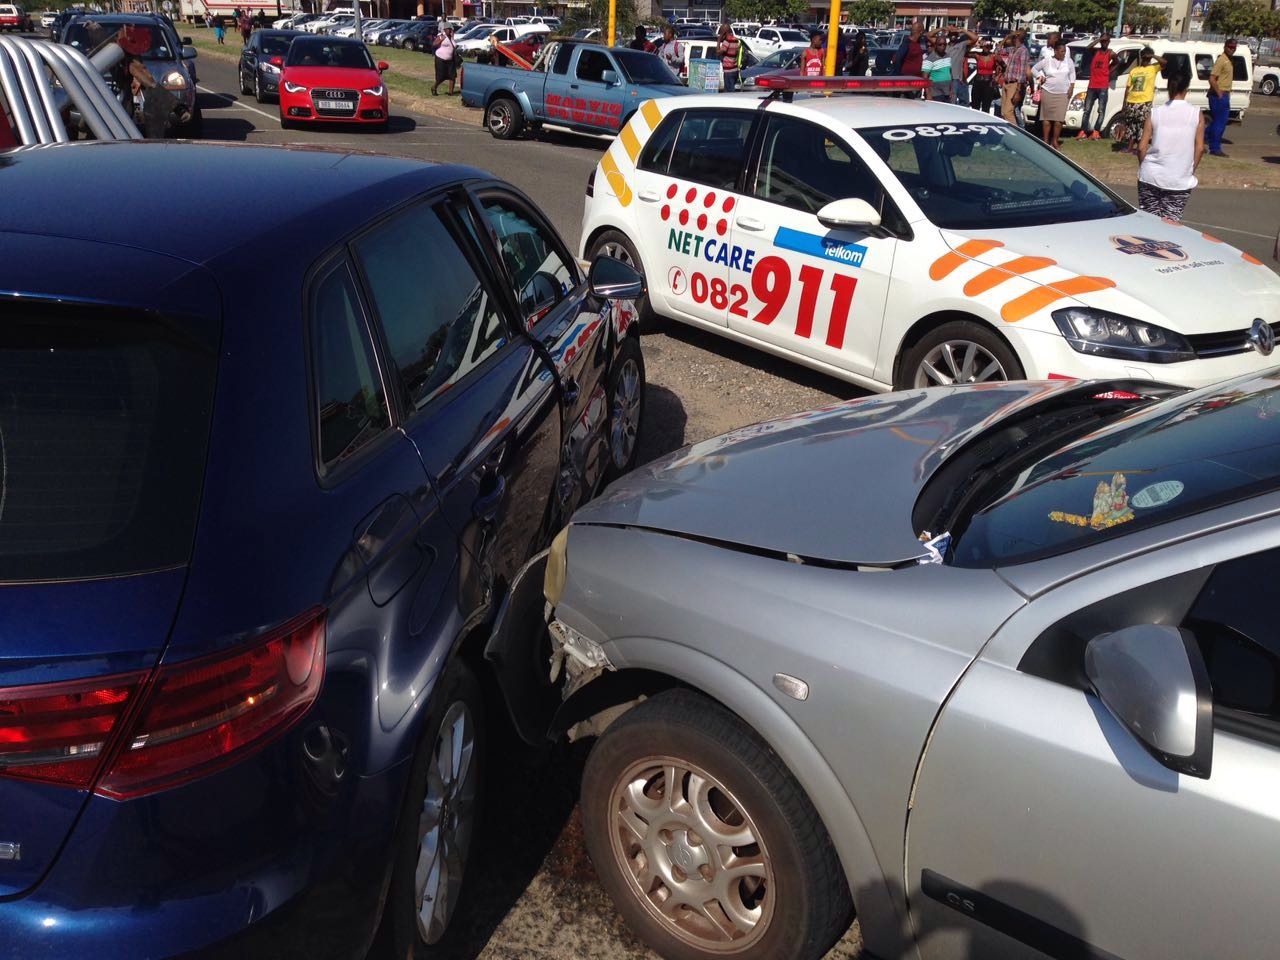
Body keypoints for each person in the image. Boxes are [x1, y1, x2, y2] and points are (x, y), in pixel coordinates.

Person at [1137, 63, 1204, 220]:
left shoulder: (1155, 112)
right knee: (1171, 224)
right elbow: (1199, 148)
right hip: (1178, 178)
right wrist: (1189, 169)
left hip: (1150, 176)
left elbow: (1141, 147)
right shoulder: (1196, 114)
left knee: (1149, 222)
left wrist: (1144, 166)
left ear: (1168, 88)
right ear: (1186, 88)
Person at [1033, 39, 1075, 149]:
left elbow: (1072, 74)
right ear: (1055, 51)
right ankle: (1046, 140)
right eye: (1061, 51)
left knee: (1059, 120)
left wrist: (1072, 86)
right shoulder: (1047, 61)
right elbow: (1034, 69)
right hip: (1048, 92)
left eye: (1065, 51)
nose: (1064, 53)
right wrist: (1040, 77)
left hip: (1063, 94)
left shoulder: (1068, 61)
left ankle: (1055, 141)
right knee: (1046, 119)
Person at [1120, 46, 1162, 154]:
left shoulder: (1153, 68)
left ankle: (1139, 147)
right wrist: (1124, 103)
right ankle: (1129, 147)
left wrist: (1152, 55)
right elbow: (1128, 87)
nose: (1145, 60)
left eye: (1147, 59)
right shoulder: (1134, 70)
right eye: (1144, 58)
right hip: (1131, 100)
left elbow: (1165, 63)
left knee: (1142, 126)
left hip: (1144, 101)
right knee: (1131, 125)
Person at [1077, 32, 1114, 140]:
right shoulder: (1096, 52)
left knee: (1101, 110)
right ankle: (1083, 131)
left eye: (1106, 41)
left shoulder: (1110, 53)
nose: (1104, 43)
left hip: (1103, 85)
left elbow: (1118, 62)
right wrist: (1099, 39)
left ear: (1109, 42)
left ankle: (1096, 131)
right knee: (1087, 109)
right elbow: (1088, 48)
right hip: (1092, 85)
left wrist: (1110, 70)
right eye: (1103, 41)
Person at [1207, 38, 1236, 157]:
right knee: (1220, 122)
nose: (1232, 49)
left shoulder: (1229, 60)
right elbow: (1212, 78)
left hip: (1225, 93)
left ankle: (1198, 139)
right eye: (1230, 47)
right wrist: (1219, 92)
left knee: (1218, 123)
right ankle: (1215, 148)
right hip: (1218, 94)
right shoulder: (1222, 60)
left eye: (1234, 47)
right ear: (1225, 47)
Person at [999, 31, 1029, 126]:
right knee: (1003, 113)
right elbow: (997, 50)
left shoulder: (1023, 51)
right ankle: (1007, 134)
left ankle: (1015, 133)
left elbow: (1022, 72)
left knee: (1008, 112)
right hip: (1006, 82)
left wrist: (1018, 90)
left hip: (1015, 84)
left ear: (1017, 37)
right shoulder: (1012, 49)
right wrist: (1007, 36)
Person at [945, 26, 977, 107]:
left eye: (955, 34)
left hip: (959, 79)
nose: (953, 36)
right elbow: (929, 36)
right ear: (948, 35)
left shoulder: (961, 44)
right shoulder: (944, 45)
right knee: (951, 103)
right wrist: (942, 28)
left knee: (965, 104)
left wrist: (963, 30)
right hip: (948, 79)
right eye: (951, 34)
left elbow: (975, 38)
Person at [971, 38, 1000, 114]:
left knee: (986, 107)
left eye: (988, 46)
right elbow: (966, 52)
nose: (986, 48)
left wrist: (997, 76)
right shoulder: (977, 55)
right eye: (984, 46)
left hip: (988, 83)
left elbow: (1004, 67)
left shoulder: (994, 56)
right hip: (977, 82)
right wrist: (975, 44)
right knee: (975, 106)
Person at [922, 32, 951, 102]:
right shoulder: (929, 59)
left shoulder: (948, 56)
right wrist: (928, 93)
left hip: (947, 92)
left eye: (944, 44)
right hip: (935, 93)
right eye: (940, 44)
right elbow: (924, 77)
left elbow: (949, 73)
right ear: (935, 45)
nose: (942, 46)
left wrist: (951, 90)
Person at [431, 25, 456, 96]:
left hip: (450, 59)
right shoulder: (441, 36)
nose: (449, 31)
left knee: (452, 75)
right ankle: (434, 87)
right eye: (448, 29)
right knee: (441, 76)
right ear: (444, 30)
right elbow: (434, 44)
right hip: (440, 58)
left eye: (450, 29)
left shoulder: (452, 37)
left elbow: (453, 46)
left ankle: (451, 92)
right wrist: (441, 40)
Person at [717, 23, 741, 91]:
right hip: (735, 69)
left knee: (728, 92)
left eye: (721, 31)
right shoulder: (736, 40)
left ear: (724, 32)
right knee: (732, 90)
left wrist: (719, 40)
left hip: (728, 71)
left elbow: (718, 52)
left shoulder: (727, 41)